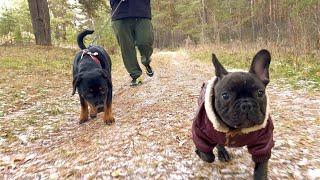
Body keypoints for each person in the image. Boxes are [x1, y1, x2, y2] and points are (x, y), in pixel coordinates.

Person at [110, 0, 154, 86]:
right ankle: (136, 75)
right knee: (127, 47)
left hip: (142, 12)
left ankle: (146, 61)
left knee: (144, 41)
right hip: (120, 14)